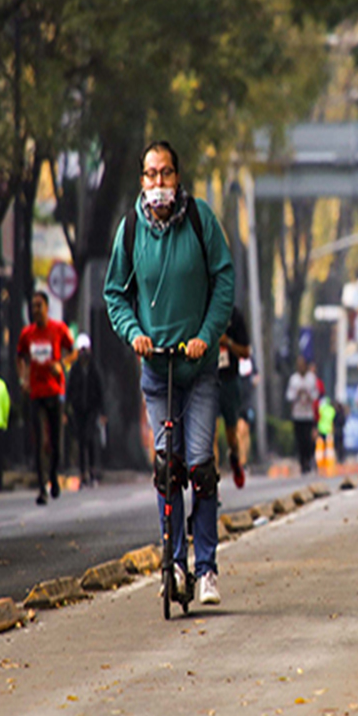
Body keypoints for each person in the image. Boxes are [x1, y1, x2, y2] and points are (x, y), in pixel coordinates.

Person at [104, 140, 234, 606]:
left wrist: (207, 332)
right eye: (150, 174)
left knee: (200, 467)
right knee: (168, 469)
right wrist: (133, 332)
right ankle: (174, 562)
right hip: (157, 370)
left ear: (178, 178)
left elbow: (224, 279)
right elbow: (115, 294)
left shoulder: (201, 220)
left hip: (197, 368)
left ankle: (207, 569)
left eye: (166, 174)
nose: (158, 183)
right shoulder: (129, 230)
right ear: (142, 181)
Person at [17, 291, 75, 506]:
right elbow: (20, 357)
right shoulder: (27, 334)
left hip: (55, 392)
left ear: (47, 307)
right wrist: (23, 379)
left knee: (56, 444)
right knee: (40, 441)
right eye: (33, 306)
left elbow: (73, 351)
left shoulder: (58, 329)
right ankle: (42, 488)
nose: (35, 310)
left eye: (39, 305)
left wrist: (61, 364)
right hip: (36, 393)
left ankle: (53, 475)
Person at [66, 333, 106, 487]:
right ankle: (83, 473)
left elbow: (99, 389)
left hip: (91, 409)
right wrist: (67, 408)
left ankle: (92, 470)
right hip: (78, 410)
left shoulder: (93, 368)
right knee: (81, 441)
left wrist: (102, 412)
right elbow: (70, 389)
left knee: (90, 439)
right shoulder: (75, 369)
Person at [218, 307, 251, 488]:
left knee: (231, 432)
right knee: (209, 432)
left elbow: (246, 352)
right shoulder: (198, 308)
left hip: (229, 380)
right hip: (207, 380)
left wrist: (227, 342)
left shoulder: (234, 315)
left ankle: (234, 456)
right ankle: (209, 478)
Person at [286, 356, 319, 474]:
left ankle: (309, 458)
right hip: (297, 414)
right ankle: (303, 463)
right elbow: (289, 396)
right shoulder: (294, 379)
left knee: (308, 440)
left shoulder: (311, 378)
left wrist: (309, 395)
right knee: (300, 440)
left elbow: (316, 394)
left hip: (308, 414)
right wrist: (297, 393)